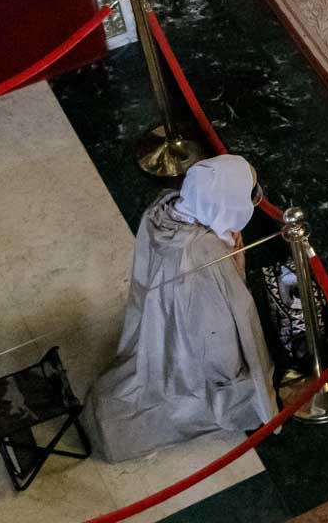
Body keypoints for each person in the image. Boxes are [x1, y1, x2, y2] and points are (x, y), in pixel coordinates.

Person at [84, 156, 277, 462]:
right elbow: (215, 333)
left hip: (159, 320)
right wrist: (233, 377)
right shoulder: (203, 253)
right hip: (192, 352)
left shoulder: (164, 208)